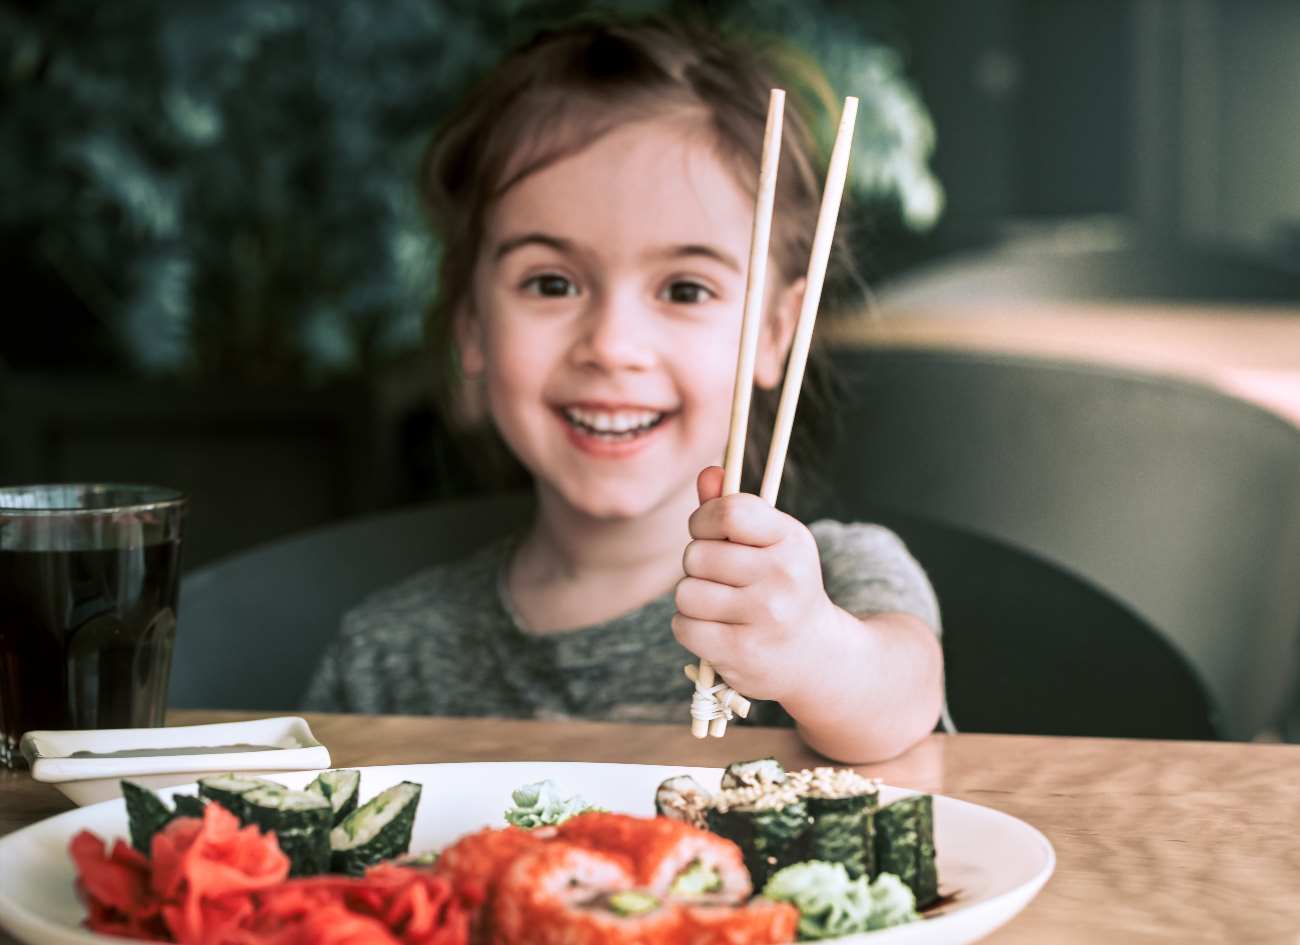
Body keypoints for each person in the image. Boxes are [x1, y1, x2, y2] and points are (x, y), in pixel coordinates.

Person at [303, 14, 945, 763]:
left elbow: (901, 700)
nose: (610, 345)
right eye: (551, 282)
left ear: (777, 333)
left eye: (683, 288)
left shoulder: (828, 584)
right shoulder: (388, 653)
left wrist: (810, 649)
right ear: (472, 326)